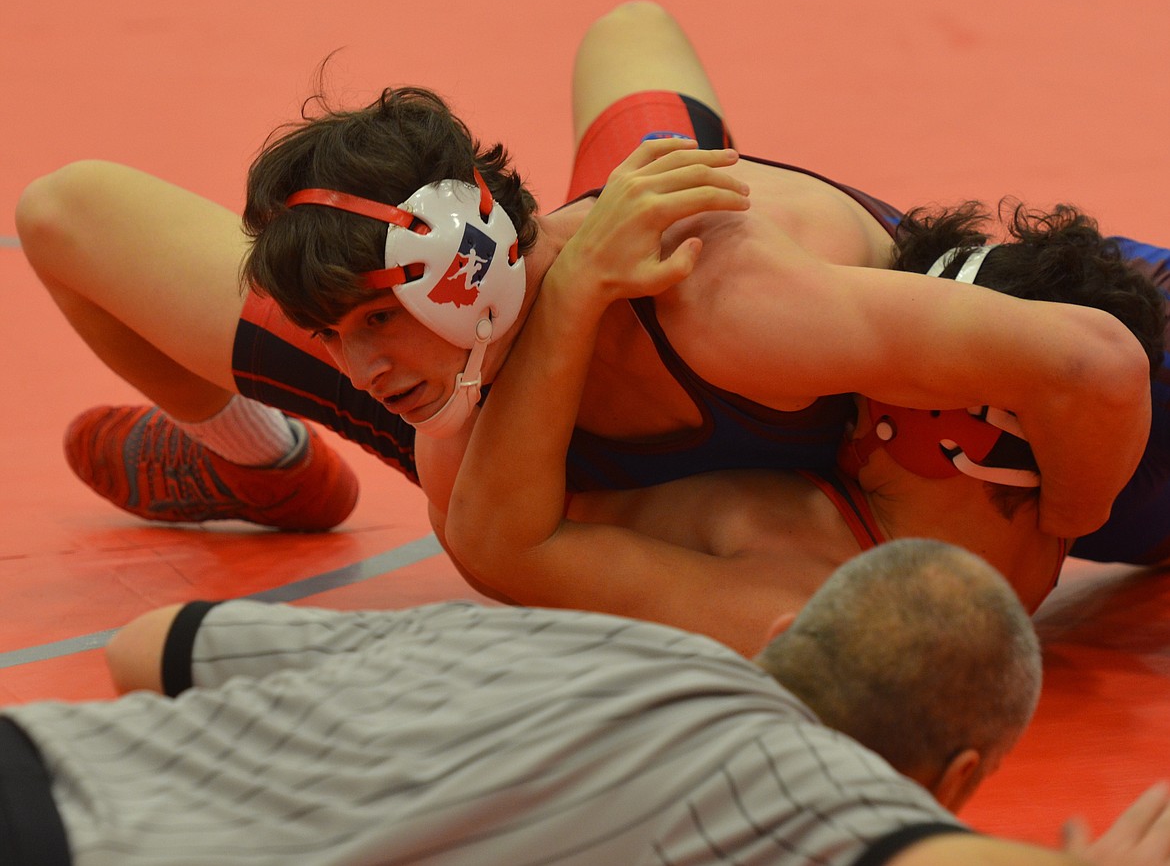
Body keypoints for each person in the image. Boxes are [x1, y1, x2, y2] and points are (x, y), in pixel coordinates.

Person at [14, 2, 1167, 561]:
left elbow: (1090, 367)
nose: (354, 359)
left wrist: (1059, 531)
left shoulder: (726, 305)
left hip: (628, 327)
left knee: (665, 195)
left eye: (369, 316)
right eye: (331, 331)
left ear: (458, 265)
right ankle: (265, 468)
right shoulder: (438, 373)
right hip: (517, 336)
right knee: (63, 209)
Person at [0, 537, 1164, 865]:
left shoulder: (560, 638)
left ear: (774, 635)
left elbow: (151, 642)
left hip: (38, 753)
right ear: (954, 781)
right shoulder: (791, 781)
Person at [440, 138, 1162, 653]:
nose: (857, 409)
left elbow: (501, 539)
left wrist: (571, 288)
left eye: (898, 407)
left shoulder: (798, 559)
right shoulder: (810, 533)